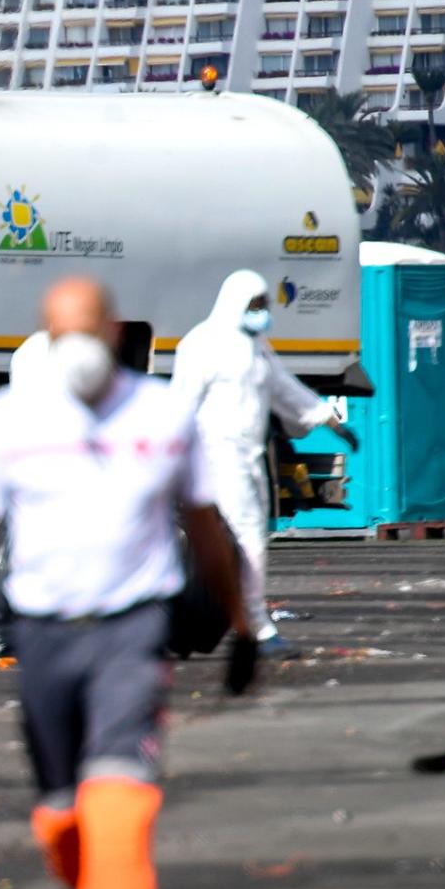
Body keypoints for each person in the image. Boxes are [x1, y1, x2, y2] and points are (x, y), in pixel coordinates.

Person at [0, 276, 254, 889]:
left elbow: (207, 531)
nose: (76, 345)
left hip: (132, 629)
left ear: (113, 331)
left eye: (87, 329)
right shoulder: (9, 421)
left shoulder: (162, 414)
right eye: (60, 332)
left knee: (117, 792)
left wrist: (242, 626)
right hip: (43, 633)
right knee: (60, 814)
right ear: (46, 342)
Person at [171, 269, 358, 659]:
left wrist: (330, 421)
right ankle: (255, 628)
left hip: (250, 459)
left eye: (263, 305)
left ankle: (225, 623)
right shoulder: (202, 345)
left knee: (245, 541)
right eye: (255, 305)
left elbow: (285, 389)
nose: (261, 313)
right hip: (216, 456)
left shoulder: (257, 349)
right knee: (246, 540)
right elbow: (181, 404)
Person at [7, 276, 118, 389]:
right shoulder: (30, 354)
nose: (77, 343)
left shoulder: (135, 400)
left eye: (87, 333)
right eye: (65, 335)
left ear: (112, 329)